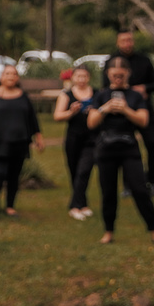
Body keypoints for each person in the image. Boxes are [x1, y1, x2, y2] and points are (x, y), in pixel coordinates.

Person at [89, 56, 154, 246]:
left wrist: (125, 110)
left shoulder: (135, 96)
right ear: (108, 74)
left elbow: (143, 120)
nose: (117, 78)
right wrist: (105, 108)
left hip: (129, 147)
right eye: (114, 75)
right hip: (106, 149)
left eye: (121, 75)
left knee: (140, 189)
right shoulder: (101, 95)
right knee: (108, 192)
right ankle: (108, 232)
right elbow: (91, 122)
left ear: (127, 74)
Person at [0, 64, 44, 220]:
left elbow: (32, 119)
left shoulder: (23, 96)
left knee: (13, 176)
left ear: (17, 78)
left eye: (14, 74)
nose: (11, 76)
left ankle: (10, 206)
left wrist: (38, 137)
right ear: (1, 77)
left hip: (19, 143)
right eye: (7, 73)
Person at [104, 30, 154, 197]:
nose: (127, 44)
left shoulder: (144, 60)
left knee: (153, 144)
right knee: (122, 144)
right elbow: (104, 87)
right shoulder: (111, 62)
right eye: (123, 41)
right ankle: (128, 185)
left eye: (129, 40)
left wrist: (144, 88)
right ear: (118, 42)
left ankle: (153, 182)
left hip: (143, 108)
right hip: (120, 113)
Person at [53, 65, 97, 221]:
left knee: (84, 171)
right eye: (78, 76)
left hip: (92, 140)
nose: (81, 79)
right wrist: (71, 112)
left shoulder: (96, 93)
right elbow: (57, 116)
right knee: (74, 172)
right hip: (73, 138)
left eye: (84, 76)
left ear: (89, 77)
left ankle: (74, 206)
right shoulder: (67, 95)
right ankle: (82, 204)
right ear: (72, 78)